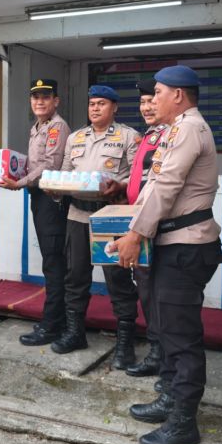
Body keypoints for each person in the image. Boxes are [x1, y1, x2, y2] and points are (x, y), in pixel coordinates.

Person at [109, 65, 222, 444]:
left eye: (157, 92)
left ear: (178, 94)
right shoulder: (177, 129)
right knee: (164, 326)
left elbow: (169, 185)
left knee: (180, 336)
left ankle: (183, 421)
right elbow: (154, 185)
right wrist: (131, 229)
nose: (152, 99)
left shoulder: (189, 128)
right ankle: (171, 399)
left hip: (186, 246)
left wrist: (135, 234)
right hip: (172, 243)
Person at [50, 85, 141, 370]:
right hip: (77, 215)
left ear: (114, 107)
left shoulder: (129, 137)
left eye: (102, 104)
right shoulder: (76, 137)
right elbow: (65, 173)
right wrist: (55, 185)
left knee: (118, 280)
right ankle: (75, 333)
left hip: (111, 216)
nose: (95, 109)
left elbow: (139, 179)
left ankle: (125, 341)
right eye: (92, 104)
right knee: (75, 277)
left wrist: (122, 187)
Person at [1, 79, 71, 346]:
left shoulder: (56, 127)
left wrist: (18, 182)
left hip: (52, 201)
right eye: (35, 97)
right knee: (51, 262)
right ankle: (59, 320)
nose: (40, 101)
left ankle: (52, 325)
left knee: (54, 264)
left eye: (45, 97)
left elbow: (50, 165)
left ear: (56, 101)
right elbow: (33, 164)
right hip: (40, 198)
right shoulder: (38, 127)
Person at [125, 79, 169, 382]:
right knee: (146, 291)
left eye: (152, 100)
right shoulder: (149, 136)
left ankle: (164, 358)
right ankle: (157, 353)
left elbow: (164, 187)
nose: (146, 107)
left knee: (159, 295)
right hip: (138, 223)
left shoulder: (172, 136)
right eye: (142, 102)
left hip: (158, 228)